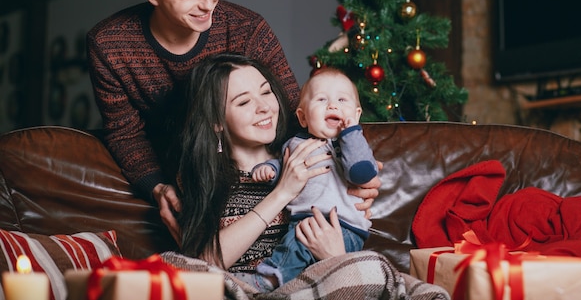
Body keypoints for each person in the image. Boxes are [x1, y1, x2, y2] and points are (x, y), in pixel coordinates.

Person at [85, 0, 326, 242]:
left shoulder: (247, 29)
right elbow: (125, 134)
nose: (207, 3)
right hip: (191, 182)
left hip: (263, 176)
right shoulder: (109, 45)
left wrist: (337, 172)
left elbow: (294, 112)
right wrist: (157, 186)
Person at [174, 54, 449, 300]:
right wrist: (283, 192)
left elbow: (358, 176)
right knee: (173, 266)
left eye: (266, 92)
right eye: (244, 101)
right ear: (216, 121)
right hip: (244, 289)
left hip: (318, 284)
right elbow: (205, 263)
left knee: (382, 273)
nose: (264, 108)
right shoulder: (205, 177)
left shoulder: (311, 149)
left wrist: (336, 257)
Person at [252, 67, 378, 287]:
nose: (333, 105)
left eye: (342, 99)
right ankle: (285, 282)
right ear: (302, 117)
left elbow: (361, 173)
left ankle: (271, 278)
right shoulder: (294, 144)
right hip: (302, 220)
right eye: (321, 99)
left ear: (357, 115)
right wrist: (269, 170)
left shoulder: (352, 145)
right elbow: (283, 167)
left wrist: (351, 134)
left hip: (345, 227)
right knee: (294, 246)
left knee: (297, 246)